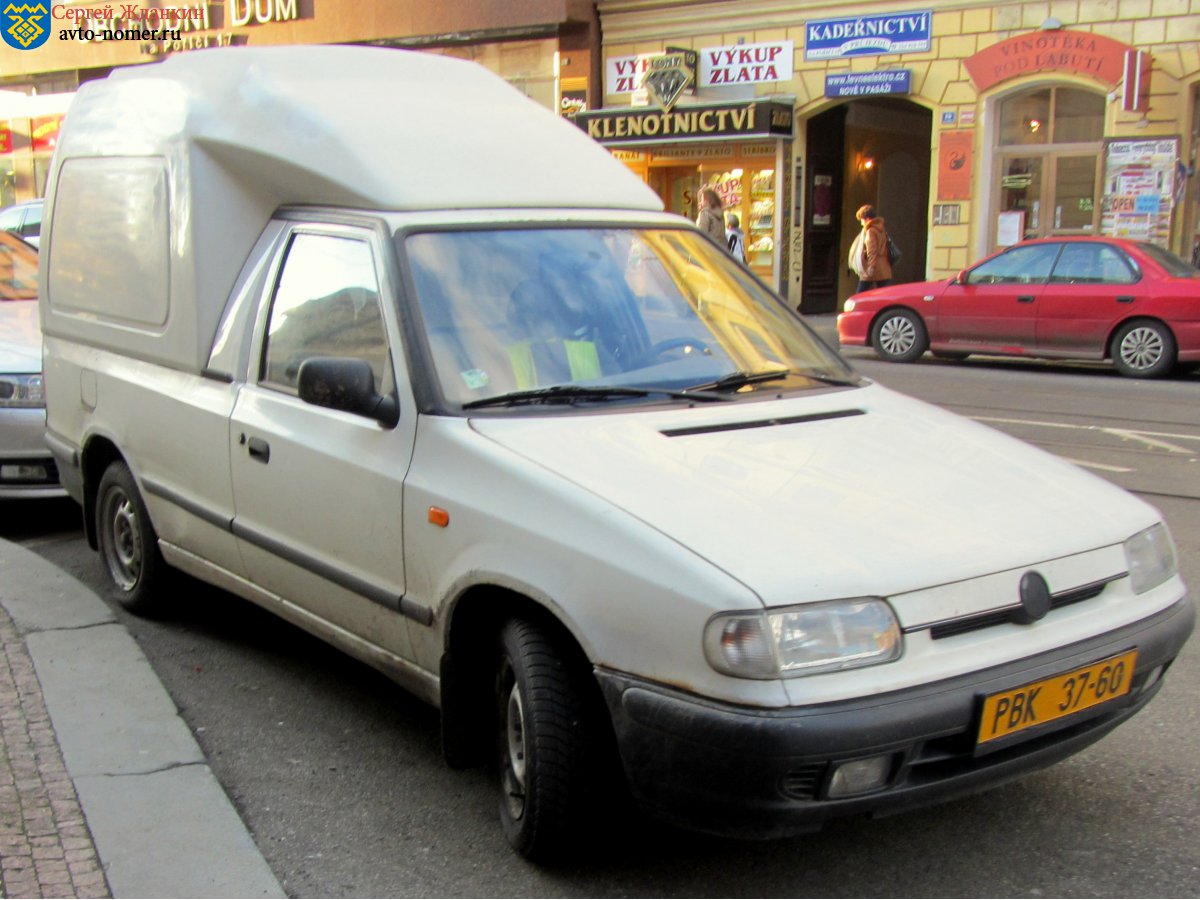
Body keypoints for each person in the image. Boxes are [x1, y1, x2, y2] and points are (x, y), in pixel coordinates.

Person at [849, 204, 892, 293]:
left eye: (861, 220)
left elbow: (872, 251)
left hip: (873, 268)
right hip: (884, 268)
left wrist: (871, 267)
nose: (861, 223)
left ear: (867, 219)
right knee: (885, 295)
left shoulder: (870, 232)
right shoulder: (881, 229)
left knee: (859, 295)